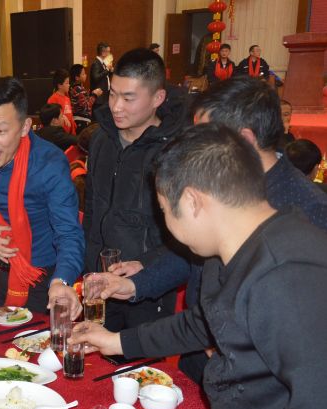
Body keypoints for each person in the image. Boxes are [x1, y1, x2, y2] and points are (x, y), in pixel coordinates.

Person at [71, 123, 327, 409]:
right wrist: (113, 341)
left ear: (192, 201)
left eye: (163, 211)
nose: (168, 228)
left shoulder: (286, 276)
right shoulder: (244, 248)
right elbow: (206, 322)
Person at [92, 77, 327, 384]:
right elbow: (195, 254)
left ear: (243, 141)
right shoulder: (218, 191)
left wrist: (240, 351)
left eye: (202, 139)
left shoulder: (308, 212)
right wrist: (137, 284)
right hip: (200, 345)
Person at [0, 77, 84, 316]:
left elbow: (69, 232)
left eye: (1, 131)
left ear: (25, 127)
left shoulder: (49, 164)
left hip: (40, 274)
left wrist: (61, 281)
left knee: (35, 338)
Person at [84, 47, 187, 333]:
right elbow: (92, 207)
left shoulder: (176, 150)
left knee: (140, 359)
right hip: (100, 279)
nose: (116, 106)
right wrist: (88, 263)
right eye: (112, 94)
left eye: (128, 98)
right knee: (98, 354)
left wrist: (145, 263)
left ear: (157, 98)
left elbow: (191, 233)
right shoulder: (102, 139)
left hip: (148, 284)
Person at [68, 64, 102, 133]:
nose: (85, 75)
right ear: (77, 78)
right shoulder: (78, 89)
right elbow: (86, 106)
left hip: (82, 119)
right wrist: (95, 95)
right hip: (81, 120)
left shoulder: (78, 88)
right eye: (83, 74)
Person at [47, 69, 76, 135]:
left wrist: (73, 132)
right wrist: (63, 116)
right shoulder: (53, 99)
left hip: (69, 134)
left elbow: (70, 116)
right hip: (59, 134)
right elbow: (51, 117)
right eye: (67, 83)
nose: (69, 85)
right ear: (59, 85)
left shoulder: (67, 98)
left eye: (69, 83)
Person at [89, 42, 113, 109]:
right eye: (108, 52)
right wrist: (107, 69)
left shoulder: (103, 63)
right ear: (103, 53)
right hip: (99, 98)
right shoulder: (96, 63)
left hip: (104, 96)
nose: (109, 54)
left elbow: (104, 77)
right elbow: (96, 78)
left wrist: (110, 71)